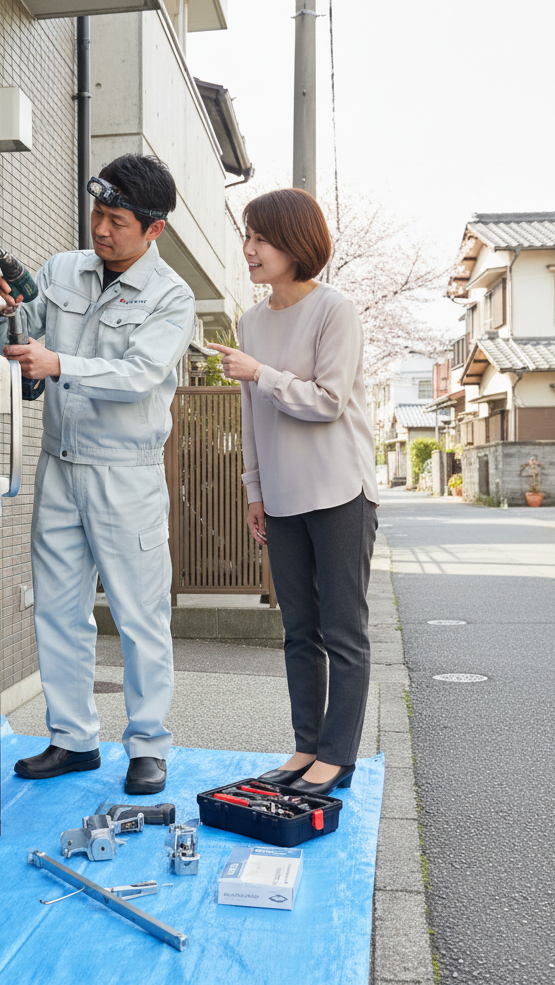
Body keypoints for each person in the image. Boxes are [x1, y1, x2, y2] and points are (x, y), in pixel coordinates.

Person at [0, 154, 196, 795]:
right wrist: (9, 316)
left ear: (153, 229)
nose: (101, 230)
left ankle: (147, 744)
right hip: (58, 465)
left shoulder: (171, 296)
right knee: (57, 610)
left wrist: (59, 362)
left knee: (139, 616)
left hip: (125, 476)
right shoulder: (62, 270)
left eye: (115, 220)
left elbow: (139, 375)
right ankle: (72, 738)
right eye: (97, 215)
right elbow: (26, 336)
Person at [212, 188, 379, 796]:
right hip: (280, 498)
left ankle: (337, 755)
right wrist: (253, 489)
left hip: (339, 490)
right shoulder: (251, 321)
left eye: (261, 238)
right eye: (248, 236)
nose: (249, 249)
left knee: (343, 630)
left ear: (296, 243)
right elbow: (252, 416)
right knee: (297, 629)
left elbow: (329, 402)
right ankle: (305, 746)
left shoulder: (336, 310)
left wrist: (263, 373)